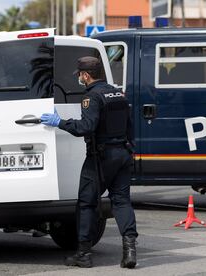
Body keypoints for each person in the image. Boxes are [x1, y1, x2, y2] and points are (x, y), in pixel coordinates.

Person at [40, 56, 138, 269]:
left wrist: (60, 122)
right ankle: (130, 251)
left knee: (86, 203)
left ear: (85, 75)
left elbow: (86, 127)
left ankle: (83, 254)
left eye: (80, 75)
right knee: (121, 201)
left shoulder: (92, 97)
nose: (80, 79)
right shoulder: (118, 94)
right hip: (123, 153)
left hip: (100, 158)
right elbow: (130, 127)